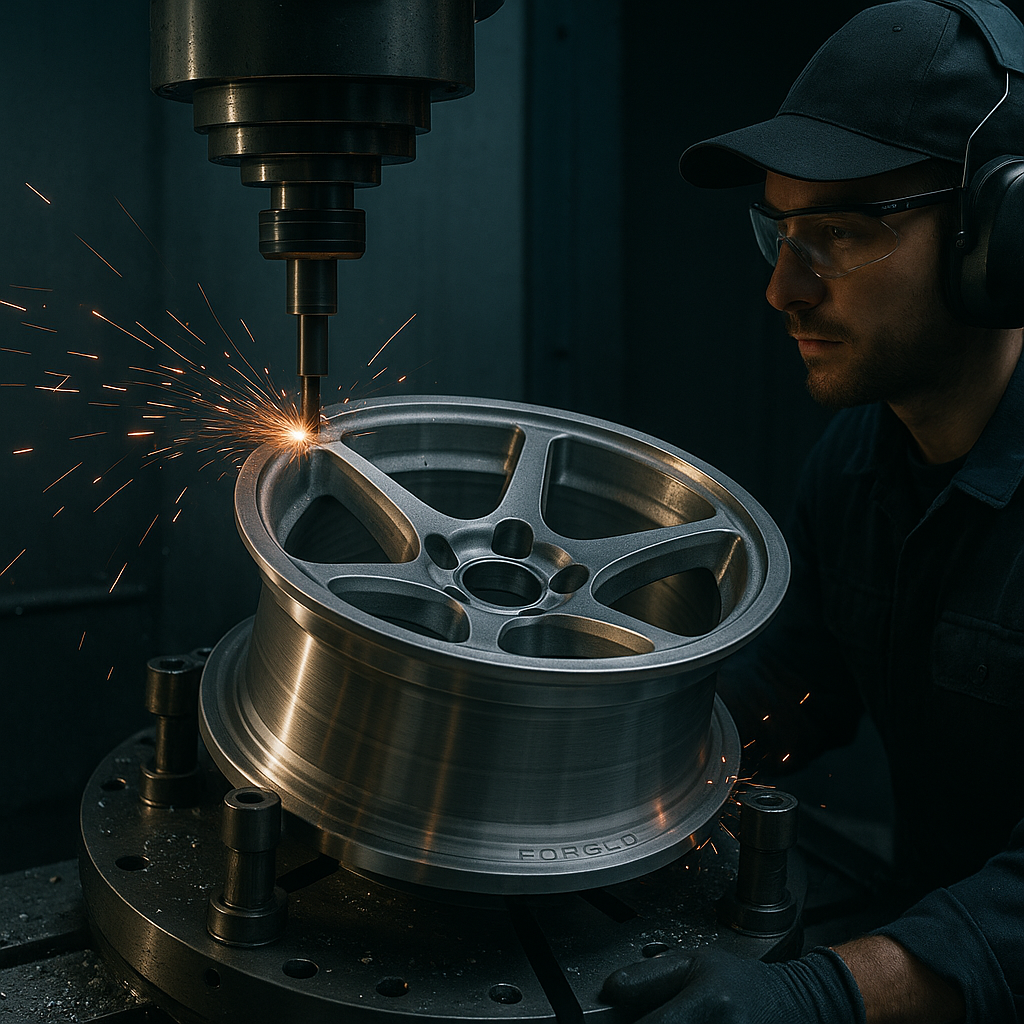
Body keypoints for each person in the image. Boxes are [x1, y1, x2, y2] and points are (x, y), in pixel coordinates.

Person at [601, 1, 1024, 1021]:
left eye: (837, 232)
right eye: (781, 231)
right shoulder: (857, 460)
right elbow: (793, 684)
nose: (784, 288)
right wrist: (606, 789)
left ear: (995, 236)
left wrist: (827, 993)